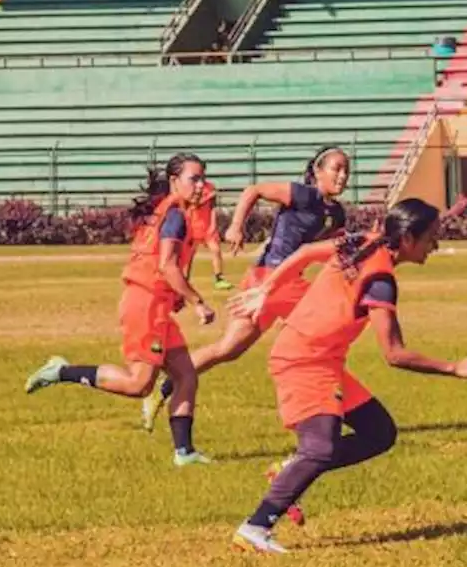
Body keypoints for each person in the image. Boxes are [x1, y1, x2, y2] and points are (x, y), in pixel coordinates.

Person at [229, 198, 467, 554]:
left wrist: (267, 289)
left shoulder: (361, 241)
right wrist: (454, 367)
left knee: (378, 432)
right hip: (303, 361)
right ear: (407, 238)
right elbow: (394, 354)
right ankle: (256, 526)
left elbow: (307, 251)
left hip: (323, 360)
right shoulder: (380, 279)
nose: (436, 245)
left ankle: (293, 469)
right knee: (320, 449)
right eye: (431, 237)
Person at [25, 153, 217, 467]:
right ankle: (61, 371)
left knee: (185, 375)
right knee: (139, 385)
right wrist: (198, 302)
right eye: (193, 178)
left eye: (202, 178)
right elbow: (167, 266)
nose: (200, 185)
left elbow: (169, 263)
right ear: (174, 181)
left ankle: (185, 453)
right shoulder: (175, 216)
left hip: (156, 304)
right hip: (145, 305)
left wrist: (178, 293)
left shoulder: (173, 212)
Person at [140, 146, 350, 432]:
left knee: (228, 349)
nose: (343, 175)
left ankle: (164, 388)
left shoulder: (336, 213)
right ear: (317, 171)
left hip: (282, 281)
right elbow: (254, 190)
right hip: (269, 279)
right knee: (325, 335)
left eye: (346, 169)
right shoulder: (303, 194)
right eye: (336, 168)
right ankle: (326, 414)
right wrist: (236, 226)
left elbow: (322, 247)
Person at [187, 179, 234, 292]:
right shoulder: (190, 186)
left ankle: (219, 279)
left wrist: (213, 224)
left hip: (207, 226)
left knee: (216, 250)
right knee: (188, 255)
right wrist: (208, 196)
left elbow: (212, 208)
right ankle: (184, 280)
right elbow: (194, 204)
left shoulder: (210, 186)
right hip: (193, 224)